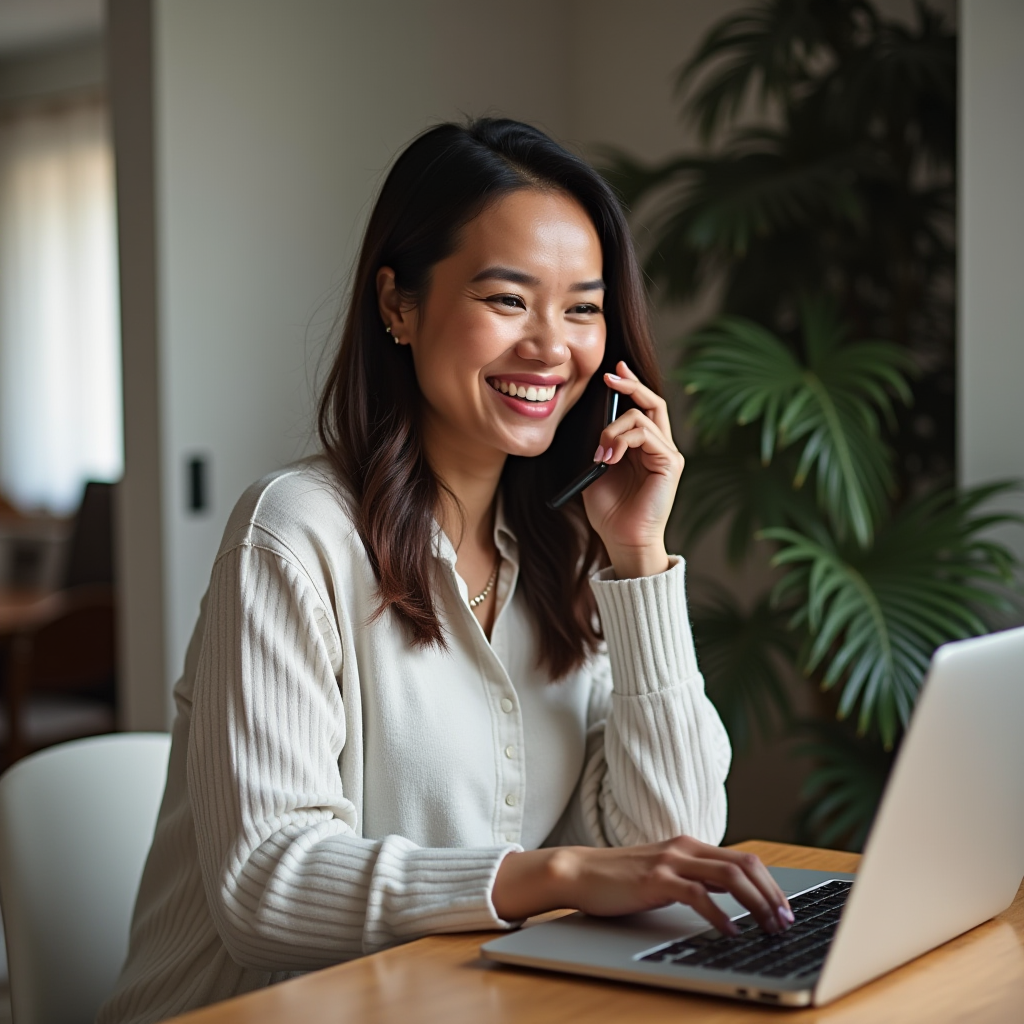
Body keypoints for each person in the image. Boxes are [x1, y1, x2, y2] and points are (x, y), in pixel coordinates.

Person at [98, 118, 793, 1024]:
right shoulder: (294, 534)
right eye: (508, 299)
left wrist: (639, 557)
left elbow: (671, 843)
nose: (552, 346)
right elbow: (267, 884)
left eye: (583, 307)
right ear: (399, 304)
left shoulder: (571, 551)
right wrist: (559, 874)